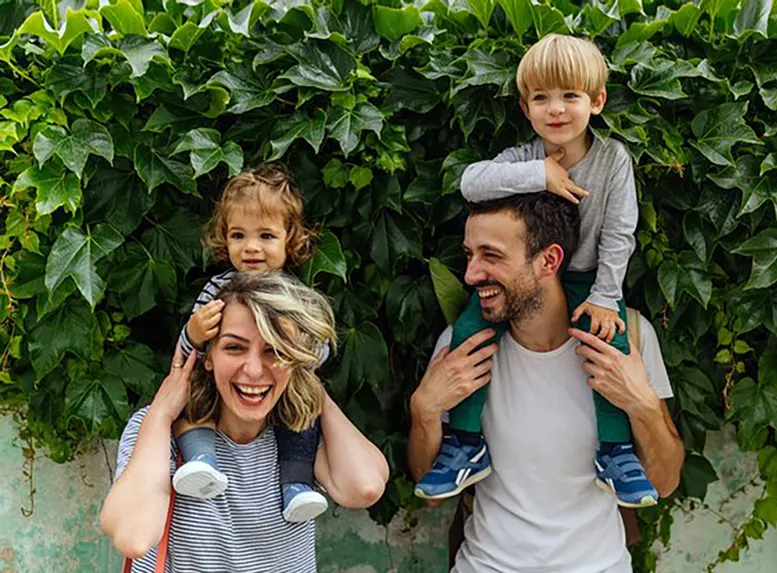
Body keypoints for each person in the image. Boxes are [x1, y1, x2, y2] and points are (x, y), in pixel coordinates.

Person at [415, 33, 652, 508]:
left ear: (597, 101)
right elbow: (471, 182)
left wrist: (607, 296)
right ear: (526, 109)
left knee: (609, 344)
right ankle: (464, 443)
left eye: (570, 96)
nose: (556, 109)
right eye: (541, 98)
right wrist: (540, 175)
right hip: (525, 277)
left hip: (587, 279)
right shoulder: (523, 158)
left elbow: (620, 231)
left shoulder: (612, 160)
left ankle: (617, 451)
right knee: (468, 330)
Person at [408, 194, 684, 572]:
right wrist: (424, 410)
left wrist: (643, 405)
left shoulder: (628, 338)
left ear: (549, 261)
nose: (471, 275)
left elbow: (664, 482)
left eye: (491, 255)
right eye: (470, 255)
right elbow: (432, 494)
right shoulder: (462, 350)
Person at [101, 272, 389, 572]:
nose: (253, 370)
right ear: (208, 356)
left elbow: (364, 487)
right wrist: (160, 414)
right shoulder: (160, 431)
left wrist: (308, 384)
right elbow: (133, 538)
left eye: (275, 351)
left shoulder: (298, 433)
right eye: (234, 347)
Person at [171, 166, 332, 522]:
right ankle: (201, 461)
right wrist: (195, 332)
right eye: (238, 235)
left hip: (281, 392)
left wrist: (299, 350)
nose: (251, 247)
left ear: (290, 240)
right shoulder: (216, 291)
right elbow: (186, 354)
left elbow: (322, 350)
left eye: (266, 236)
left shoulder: (293, 297)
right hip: (221, 394)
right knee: (191, 398)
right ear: (223, 239)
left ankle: (296, 486)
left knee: (305, 412)